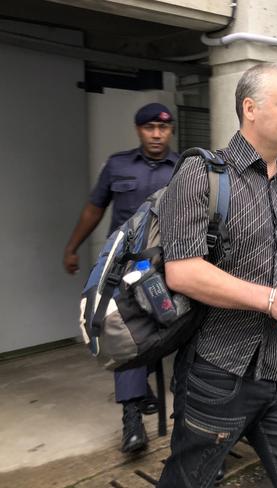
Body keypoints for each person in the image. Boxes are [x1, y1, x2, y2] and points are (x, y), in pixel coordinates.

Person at [156, 63, 277, 488]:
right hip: (218, 371)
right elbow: (183, 271)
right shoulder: (202, 174)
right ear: (250, 108)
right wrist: (272, 300)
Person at [63, 102, 178, 453]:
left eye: (163, 128)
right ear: (138, 130)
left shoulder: (184, 167)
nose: (156, 135)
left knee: (170, 330)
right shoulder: (118, 165)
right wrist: (73, 247)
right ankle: (132, 420)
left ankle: (164, 400)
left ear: (170, 130)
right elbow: (94, 208)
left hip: (168, 268)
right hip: (126, 269)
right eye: (149, 128)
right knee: (126, 333)